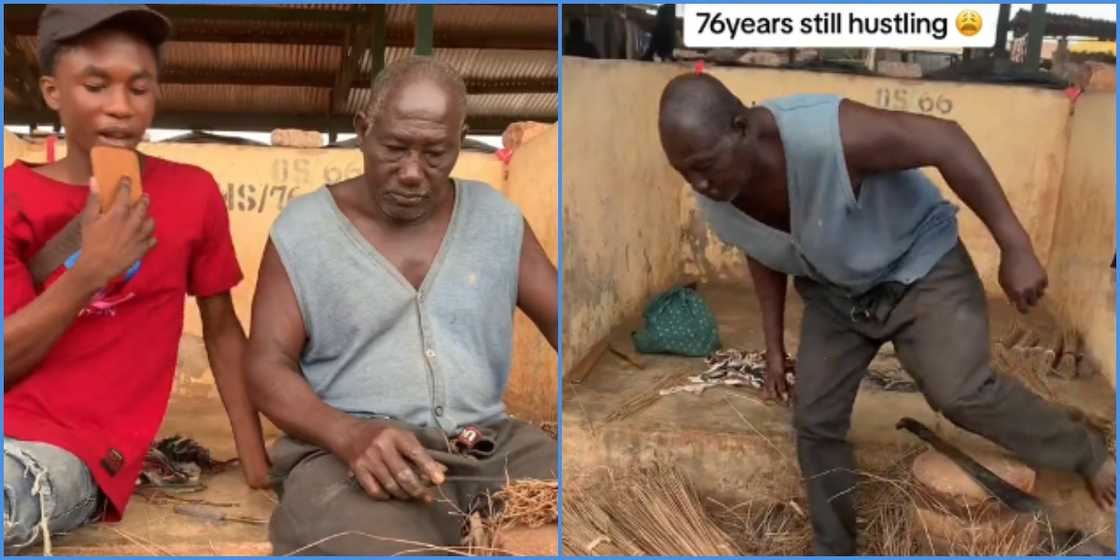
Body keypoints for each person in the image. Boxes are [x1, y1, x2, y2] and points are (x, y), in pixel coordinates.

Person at [656, 73, 1116, 555]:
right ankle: (835, 548)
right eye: (686, 173)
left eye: (705, 167)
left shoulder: (828, 135)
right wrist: (774, 347)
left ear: (741, 127)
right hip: (838, 296)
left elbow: (948, 140)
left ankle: (1084, 454)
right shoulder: (719, 200)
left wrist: (1015, 246)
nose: (700, 184)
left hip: (920, 269)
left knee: (959, 392)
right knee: (814, 419)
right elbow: (763, 252)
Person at [246, 57, 559, 555]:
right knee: (373, 545)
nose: (413, 173)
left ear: (461, 139)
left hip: (491, 446)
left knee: (603, 512)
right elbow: (265, 365)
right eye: (394, 148)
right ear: (363, 130)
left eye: (436, 153)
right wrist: (348, 435)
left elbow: (570, 323)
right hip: (350, 454)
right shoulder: (303, 231)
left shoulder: (497, 221)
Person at [3, 5, 270, 551]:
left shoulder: (192, 193)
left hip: (68, 451)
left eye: (139, 89)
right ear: (53, 92)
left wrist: (255, 460)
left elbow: (220, 329)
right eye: (96, 86)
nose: (121, 108)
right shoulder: (12, 197)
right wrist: (90, 272)